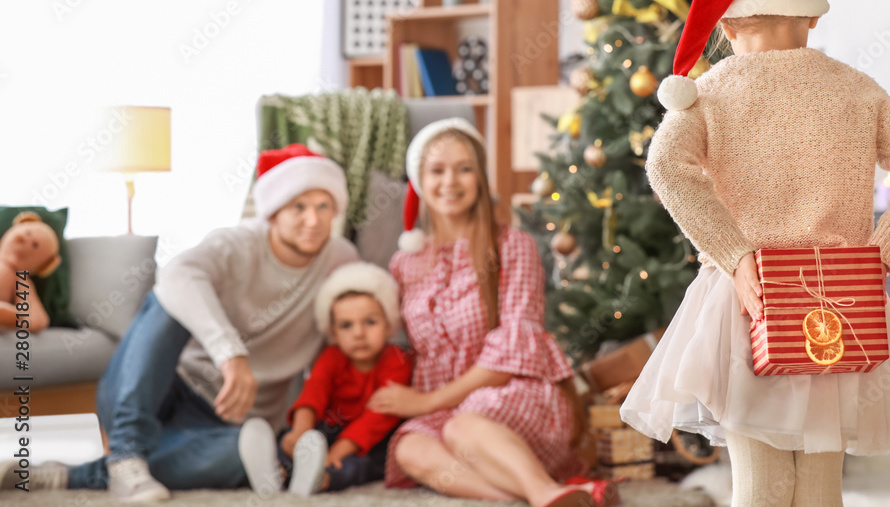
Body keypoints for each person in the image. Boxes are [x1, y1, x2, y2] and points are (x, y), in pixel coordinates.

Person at [620, 0, 890, 507]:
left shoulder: (709, 92)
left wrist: (736, 255)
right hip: (838, 298)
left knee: (762, 484)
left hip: (749, 303)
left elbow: (666, 166)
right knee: (821, 485)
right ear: (813, 11)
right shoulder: (855, 88)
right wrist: (882, 256)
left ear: (723, 18)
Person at [0, 144, 359, 502]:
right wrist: (230, 354)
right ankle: (127, 449)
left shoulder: (341, 261)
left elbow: (359, 323)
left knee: (253, 455)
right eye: (299, 206)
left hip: (226, 421)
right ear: (274, 210)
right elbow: (177, 275)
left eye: (323, 207)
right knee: (169, 295)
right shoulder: (236, 244)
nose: (313, 220)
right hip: (157, 388)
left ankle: (84, 472)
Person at [365, 118, 619, 507]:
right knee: (410, 448)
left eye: (464, 169)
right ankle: (543, 497)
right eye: (437, 170)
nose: (450, 181)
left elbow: (511, 353)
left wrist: (427, 403)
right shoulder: (405, 263)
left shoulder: (513, 246)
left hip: (514, 396)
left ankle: (543, 490)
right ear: (419, 180)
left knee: (464, 426)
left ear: (480, 177)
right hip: (448, 412)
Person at [238, 261, 412, 496]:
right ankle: (275, 473)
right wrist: (299, 431)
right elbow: (313, 393)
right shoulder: (332, 356)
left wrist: (339, 451)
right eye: (346, 325)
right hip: (326, 431)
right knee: (292, 441)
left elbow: (378, 418)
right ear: (333, 332)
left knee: (360, 466)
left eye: (370, 322)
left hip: (370, 439)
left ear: (389, 324)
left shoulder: (396, 360)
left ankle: (321, 479)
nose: (359, 333)